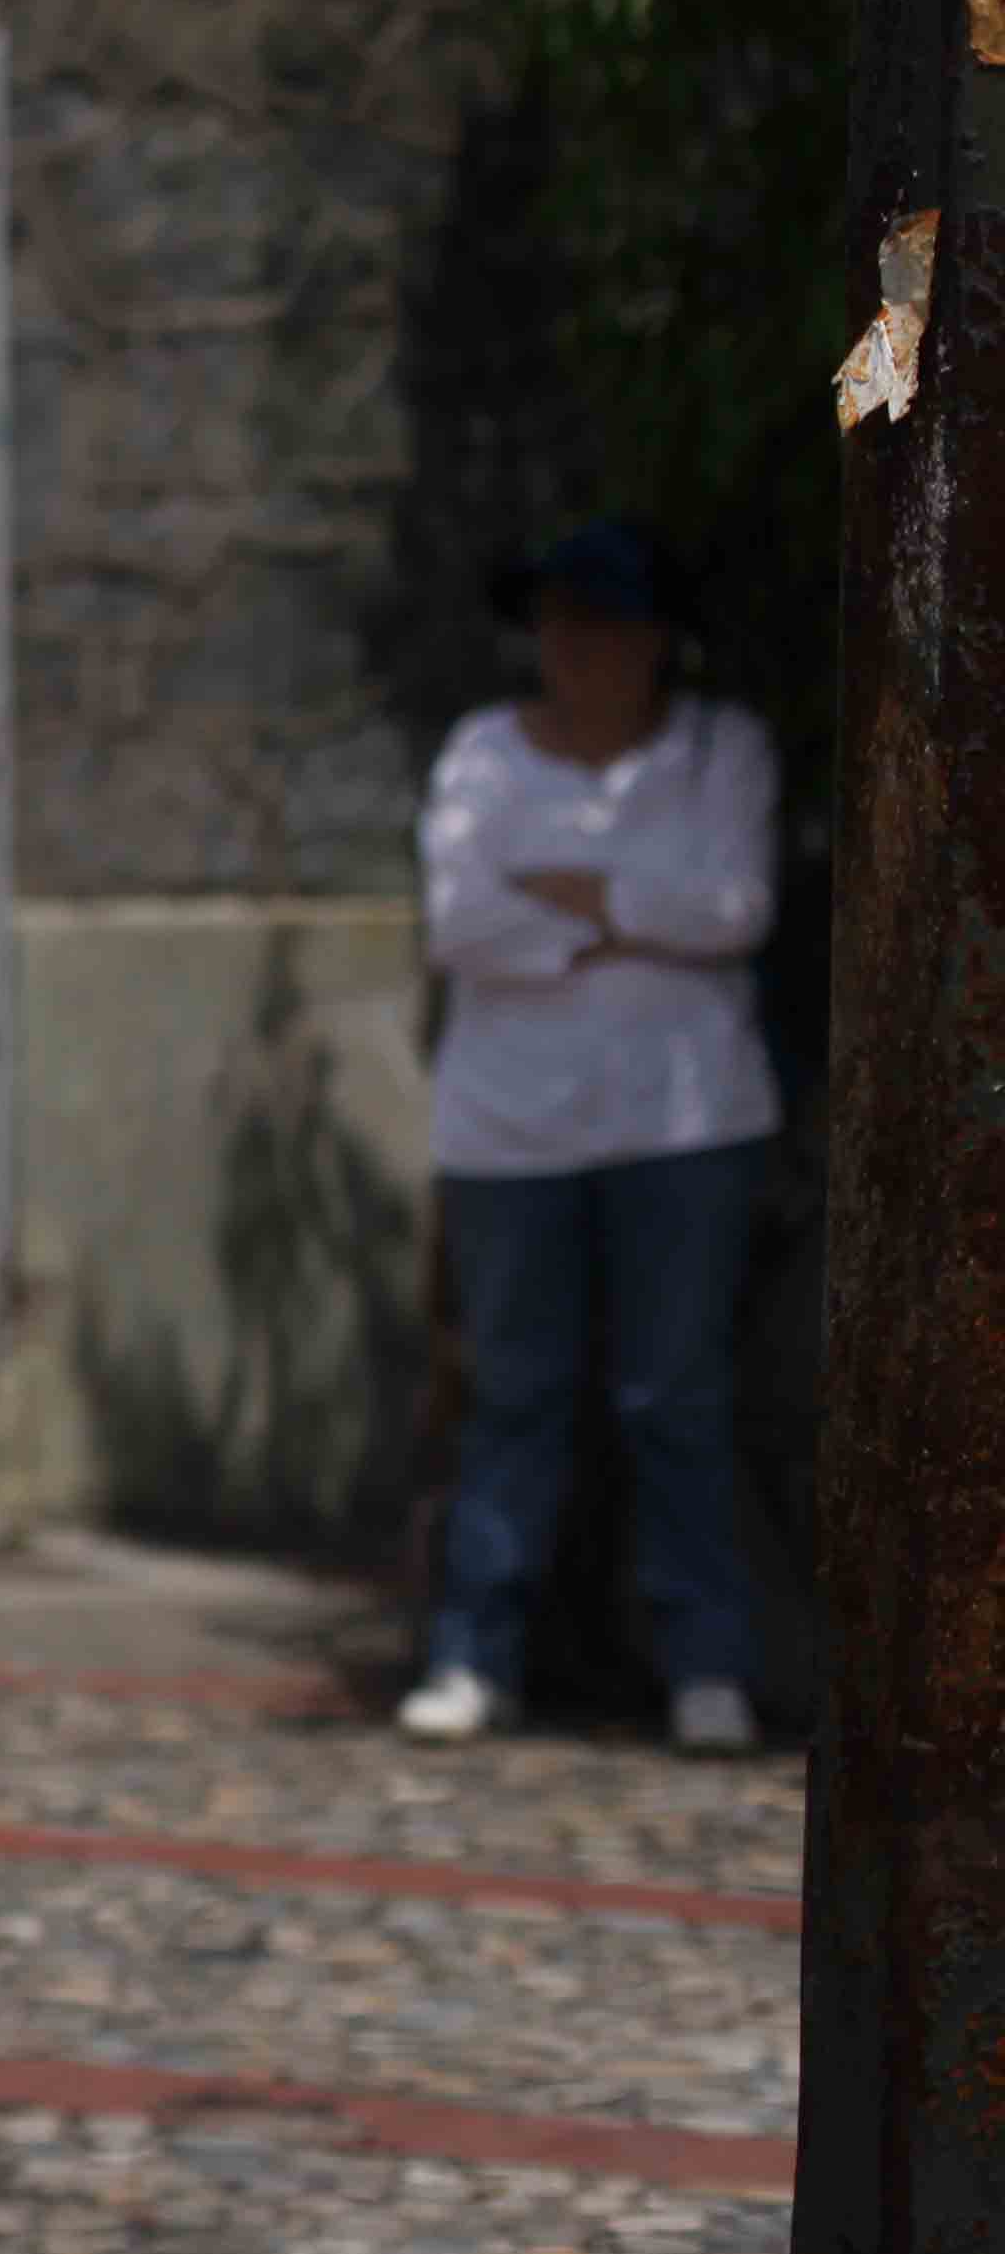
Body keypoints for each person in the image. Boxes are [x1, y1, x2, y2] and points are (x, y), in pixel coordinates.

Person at [399, 519, 781, 1751]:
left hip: (686, 1122)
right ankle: (475, 1652)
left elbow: (735, 910)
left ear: (659, 640)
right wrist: (624, 923)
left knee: (676, 1396)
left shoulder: (720, 751)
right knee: (515, 1394)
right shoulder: (483, 754)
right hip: (511, 1131)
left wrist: (576, 893)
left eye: (604, 623)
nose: (576, 647)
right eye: (559, 622)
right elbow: (461, 924)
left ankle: (706, 1665)